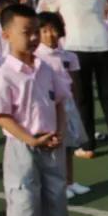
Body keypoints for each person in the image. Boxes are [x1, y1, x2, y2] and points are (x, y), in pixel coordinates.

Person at [0, 5, 89, 216]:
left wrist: (59, 132)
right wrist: (30, 139)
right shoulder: (4, 76)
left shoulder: (45, 68)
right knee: (24, 197)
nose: (33, 38)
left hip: (50, 141)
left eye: (35, 32)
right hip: (22, 146)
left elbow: (59, 101)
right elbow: (1, 116)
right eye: (26, 32)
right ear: (6, 34)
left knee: (55, 194)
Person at [43, 0, 108, 159]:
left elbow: (45, 9)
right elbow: (104, 13)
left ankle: (88, 145)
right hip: (105, 45)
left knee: (82, 99)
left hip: (78, 46)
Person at [35, 12, 92, 200]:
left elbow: (73, 82)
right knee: (54, 146)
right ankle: (56, 185)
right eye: (44, 30)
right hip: (49, 106)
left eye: (54, 29)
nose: (50, 34)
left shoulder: (69, 56)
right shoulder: (37, 58)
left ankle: (69, 181)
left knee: (68, 145)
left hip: (67, 105)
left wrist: (74, 103)